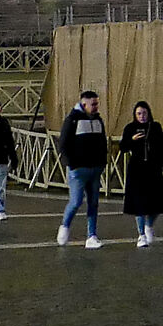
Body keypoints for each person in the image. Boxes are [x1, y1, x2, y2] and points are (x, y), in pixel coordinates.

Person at [56, 90, 108, 249]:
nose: (96, 107)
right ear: (84, 104)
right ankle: (65, 226)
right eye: (93, 104)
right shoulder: (72, 120)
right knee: (76, 201)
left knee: (93, 203)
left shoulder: (98, 120)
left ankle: (91, 236)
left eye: (97, 104)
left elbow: (102, 142)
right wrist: (71, 164)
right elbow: (63, 144)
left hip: (94, 168)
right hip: (78, 170)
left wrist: (102, 162)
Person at [119, 101, 163, 247]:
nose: (142, 116)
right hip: (136, 169)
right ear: (135, 115)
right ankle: (141, 234)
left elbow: (162, 146)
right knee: (139, 204)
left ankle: (149, 225)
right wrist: (132, 140)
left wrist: (160, 163)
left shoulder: (155, 127)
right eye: (139, 114)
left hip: (153, 169)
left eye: (144, 113)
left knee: (157, 203)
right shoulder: (130, 128)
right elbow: (122, 147)